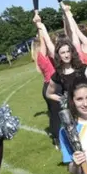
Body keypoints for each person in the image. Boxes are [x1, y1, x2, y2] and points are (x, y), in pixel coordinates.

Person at [31, 20, 61, 149]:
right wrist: (39, 25)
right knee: (58, 116)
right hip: (52, 86)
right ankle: (59, 140)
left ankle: (56, 139)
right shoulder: (41, 56)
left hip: (47, 87)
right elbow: (44, 41)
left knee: (53, 114)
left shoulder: (40, 58)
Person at [45, 38, 87, 103]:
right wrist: (64, 100)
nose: (66, 55)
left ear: (72, 52)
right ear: (58, 55)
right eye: (63, 53)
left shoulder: (83, 68)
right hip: (74, 109)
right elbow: (49, 94)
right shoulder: (58, 75)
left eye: (68, 51)